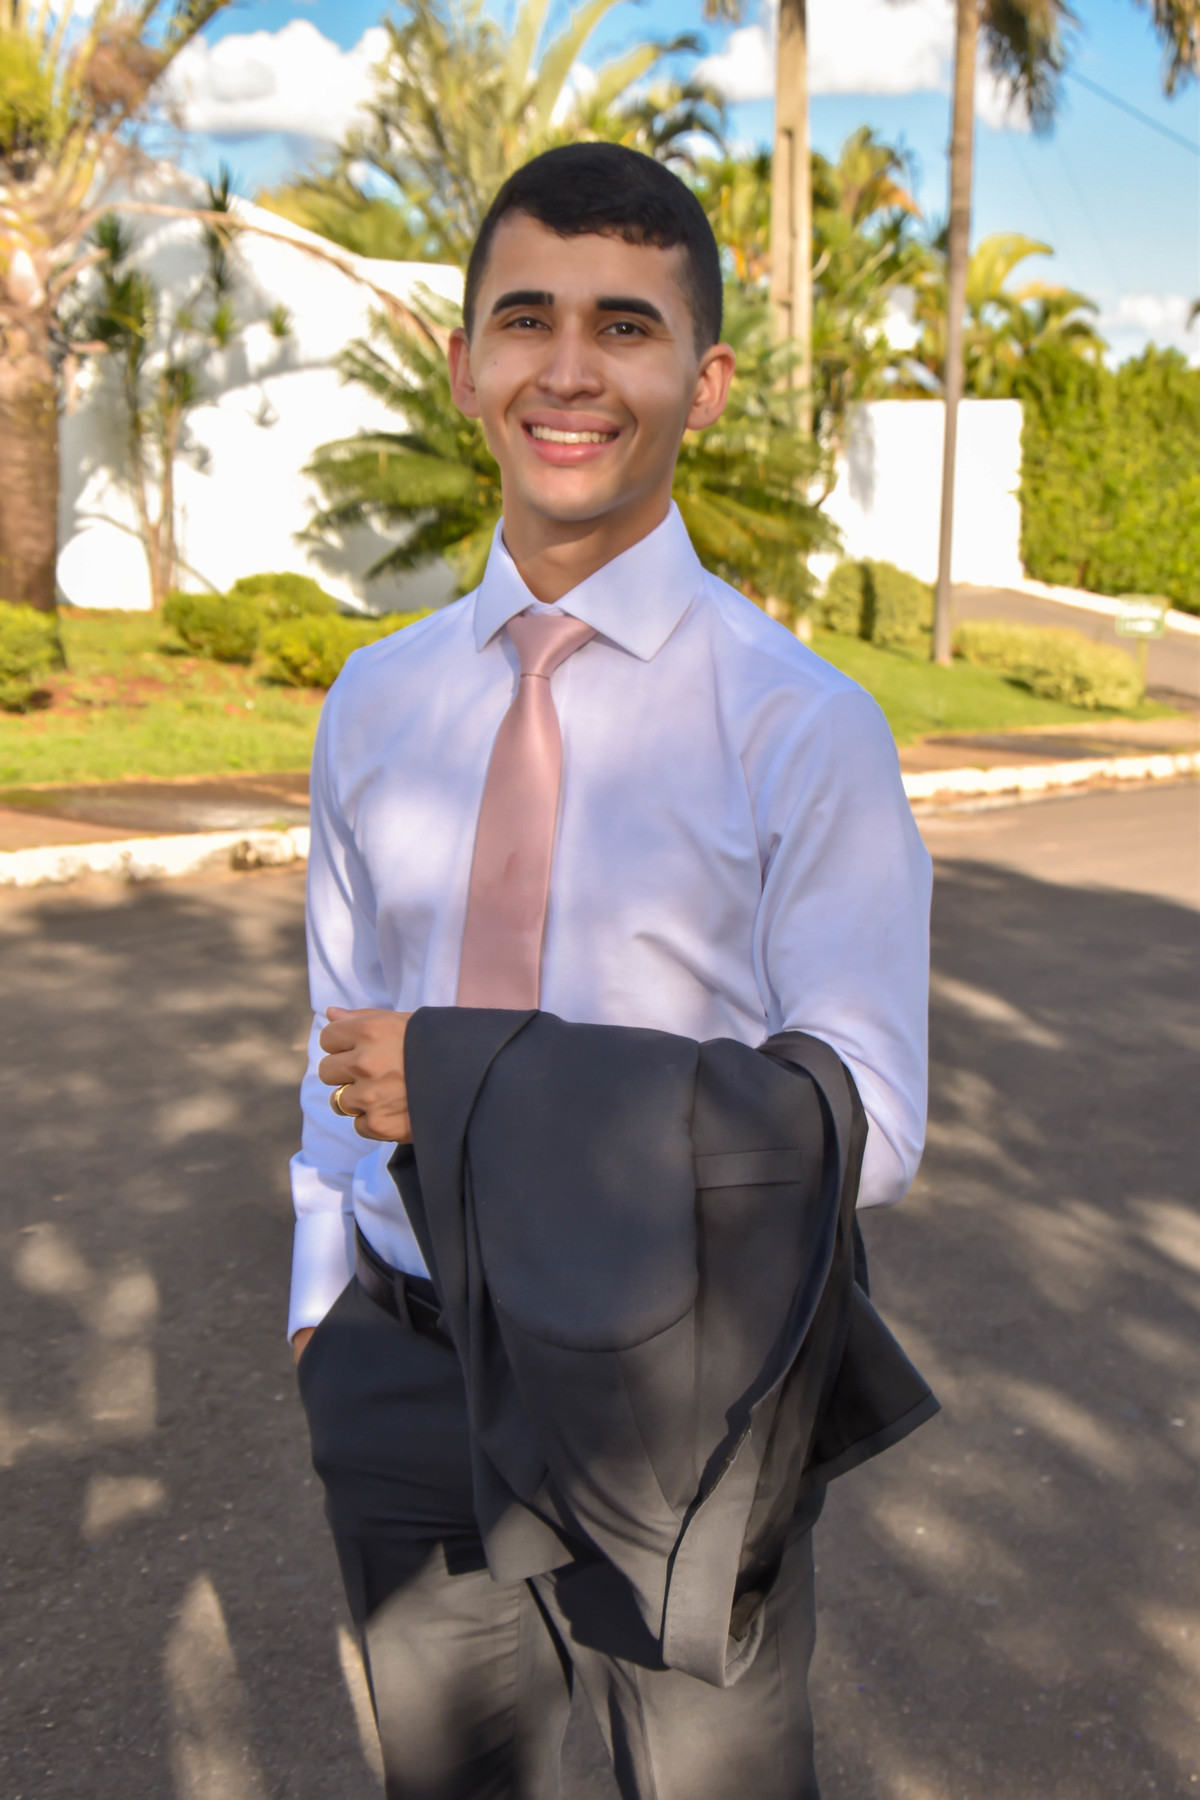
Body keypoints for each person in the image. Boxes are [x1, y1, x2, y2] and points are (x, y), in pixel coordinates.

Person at [288, 142, 931, 1800]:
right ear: (464, 365)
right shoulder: (374, 701)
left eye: (626, 327)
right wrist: (318, 1309)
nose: (569, 370)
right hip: (403, 1361)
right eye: (528, 319)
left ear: (703, 383)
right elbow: (337, 1026)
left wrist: (473, 1086)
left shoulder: (803, 728)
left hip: (674, 1391)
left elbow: (871, 1118)